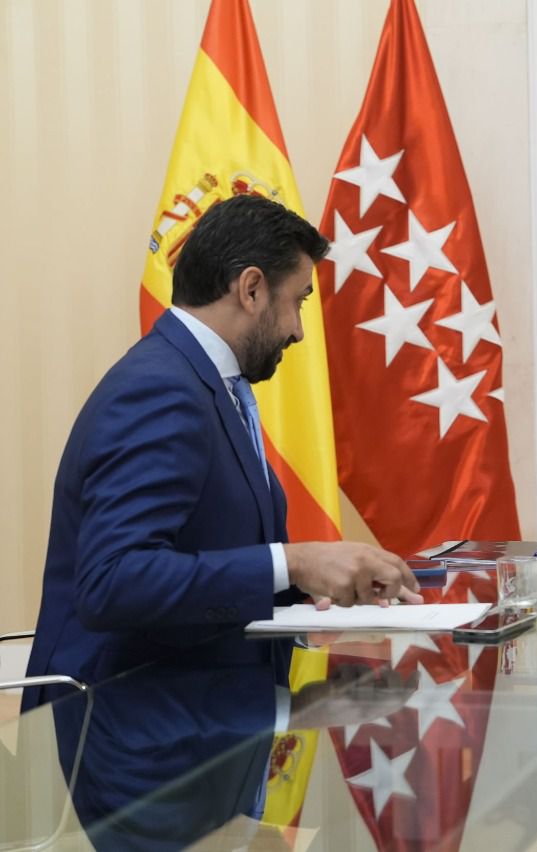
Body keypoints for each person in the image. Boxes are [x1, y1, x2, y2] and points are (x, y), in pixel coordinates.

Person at [22, 194, 421, 712]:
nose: (298, 330)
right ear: (251, 289)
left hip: (202, 720)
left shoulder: (207, 384)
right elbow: (112, 581)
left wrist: (318, 585)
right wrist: (295, 562)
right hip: (127, 732)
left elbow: (212, 549)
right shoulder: (161, 388)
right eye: (298, 300)